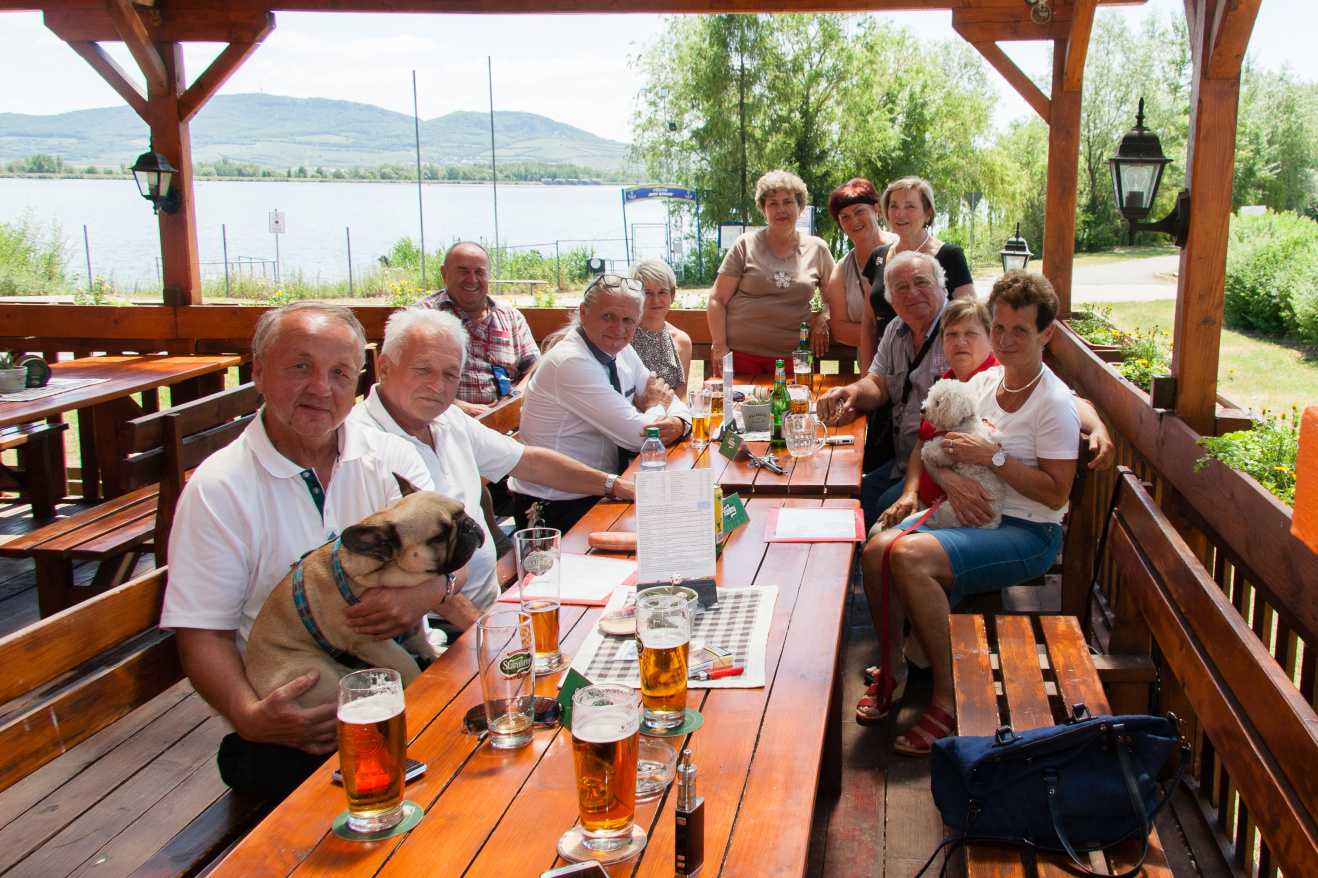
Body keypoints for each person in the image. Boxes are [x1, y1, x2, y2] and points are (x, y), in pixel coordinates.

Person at [161, 302, 461, 801]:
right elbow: (202, 632)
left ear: (358, 380)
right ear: (258, 372)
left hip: (407, 678)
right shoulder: (220, 488)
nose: (321, 388)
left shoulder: (388, 457)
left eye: (339, 372)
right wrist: (249, 717)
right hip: (306, 718)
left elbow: (452, 552)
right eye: (300, 366)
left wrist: (429, 592)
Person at [860, 271, 1091, 756]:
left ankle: (950, 699)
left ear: (1046, 333)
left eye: (1020, 330)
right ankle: (895, 667)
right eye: (999, 328)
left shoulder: (1053, 404)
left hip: (1026, 532)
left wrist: (994, 459)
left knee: (909, 558)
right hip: (969, 513)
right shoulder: (985, 382)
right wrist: (949, 480)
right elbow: (933, 444)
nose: (1004, 341)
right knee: (876, 549)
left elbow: (1056, 495)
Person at [351, 307, 637, 616]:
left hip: (494, 601)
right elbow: (397, 577)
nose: (438, 385)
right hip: (440, 626)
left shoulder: (447, 418)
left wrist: (618, 486)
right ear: (384, 367)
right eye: (423, 369)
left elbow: (528, 462)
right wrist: (489, 633)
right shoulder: (360, 449)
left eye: (450, 374)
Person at [509, 275, 691, 533]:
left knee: (687, 515)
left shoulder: (620, 349)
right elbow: (639, 436)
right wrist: (657, 406)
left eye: (628, 320)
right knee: (672, 527)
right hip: (555, 506)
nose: (618, 328)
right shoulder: (571, 362)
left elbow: (669, 399)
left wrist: (679, 423)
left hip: (601, 490)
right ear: (584, 313)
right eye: (608, 316)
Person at [817, 250, 954, 534]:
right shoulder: (895, 329)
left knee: (878, 509)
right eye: (900, 287)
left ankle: (870, 556)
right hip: (903, 462)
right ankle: (854, 559)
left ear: (941, 286)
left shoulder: (958, 330)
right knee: (848, 499)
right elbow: (878, 383)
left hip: (942, 470)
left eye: (922, 282)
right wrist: (852, 392)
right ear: (891, 299)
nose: (912, 292)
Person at [708, 170, 836, 374]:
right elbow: (717, 299)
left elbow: (835, 300)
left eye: (788, 202)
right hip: (741, 354)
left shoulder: (817, 249)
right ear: (763, 210)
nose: (781, 210)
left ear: (800, 207)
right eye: (772, 203)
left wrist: (823, 318)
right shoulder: (745, 245)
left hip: (794, 358)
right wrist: (720, 347)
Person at [416, 241, 540, 417]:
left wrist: (512, 399)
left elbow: (536, 371)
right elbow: (406, 378)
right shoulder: (421, 317)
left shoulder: (511, 317)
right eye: (463, 271)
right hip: (442, 420)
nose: (472, 279)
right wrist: (459, 408)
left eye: (479, 272)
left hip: (508, 420)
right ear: (444, 274)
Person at [862, 177, 975, 344]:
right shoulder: (878, 256)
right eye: (894, 206)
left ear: (928, 213)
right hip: (886, 358)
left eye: (910, 206)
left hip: (937, 357)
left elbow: (970, 316)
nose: (899, 214)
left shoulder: (950, 255)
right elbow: (869, 323)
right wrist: (869, 362)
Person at [822, 178, 897, 371]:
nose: (854, 221)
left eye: (859, 211)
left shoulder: (904, 247)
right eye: (844, 217)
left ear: (876, 209)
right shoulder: (841, 271)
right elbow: (839, 330)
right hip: (872, 369)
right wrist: (892, 331)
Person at [628, 258, 692, 400]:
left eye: (662, 292)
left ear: (672, 296)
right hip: (629, 412)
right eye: (647, 293)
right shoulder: (624, 336)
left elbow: (681, 397)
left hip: (671, 411)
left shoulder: (681, 341)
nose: (656, 300)